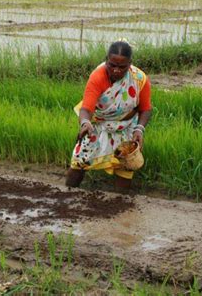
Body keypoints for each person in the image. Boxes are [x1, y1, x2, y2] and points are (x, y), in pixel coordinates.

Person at [65, 41, 152, 191]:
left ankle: (120, 203)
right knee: (80, 161)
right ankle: (67, 195)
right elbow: (86, 108)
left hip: (127, 126)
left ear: (130, 64)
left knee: (126, 166)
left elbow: (146, 109)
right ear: (106, 60)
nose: (116, 70)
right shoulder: (97, 77)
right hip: (98, 125)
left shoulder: (139, 79)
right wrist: (85, 122)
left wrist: (139, 129)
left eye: (122, 67)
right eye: (112, 65)